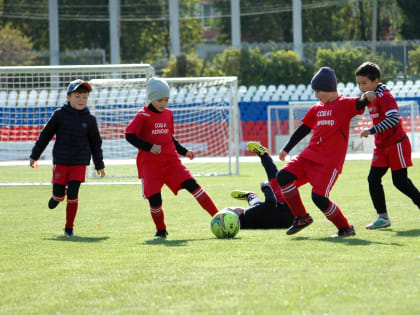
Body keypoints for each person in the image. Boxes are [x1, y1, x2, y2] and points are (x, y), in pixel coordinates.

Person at [276, 66, 376, 237]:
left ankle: (345, 228)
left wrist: (366, 97)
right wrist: (286, 149)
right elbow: (302, 130)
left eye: (317, 91)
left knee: (319, 198)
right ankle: (301, 217)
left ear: (328, 89)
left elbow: (359, 102)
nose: (316, 95)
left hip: (328, 164)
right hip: (308, 157)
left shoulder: (344, 104)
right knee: (283, 177)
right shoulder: (316, 108)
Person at [125, 77, 219, 239]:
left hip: (171, 162)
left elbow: (170, 138)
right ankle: (161, 230)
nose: (163, 103)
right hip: (151, 165)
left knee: (194, 186)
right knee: (155, 201)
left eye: (166, 100)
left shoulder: (169, 114)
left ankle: (219, 217)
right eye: (159, 100)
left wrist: (184, 151)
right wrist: (149, 147)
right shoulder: (142, 115)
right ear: (151, 97)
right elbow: (129, 135)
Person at [29, 79, 105, 237]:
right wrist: (34, 155)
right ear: (68, 97)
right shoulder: (59, 115)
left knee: (73, 193)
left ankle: (69, 228)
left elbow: (96, 144)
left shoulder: (90, 120)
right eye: (77, 96)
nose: (81, 100)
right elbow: (45, 135)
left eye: (84, 97)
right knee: (58, 195)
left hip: (79, 163)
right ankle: (57, 195)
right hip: (61, 162)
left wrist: (99, 165)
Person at [355, 62, 420, 229]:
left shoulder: (385, 96)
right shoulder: (369, 96)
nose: (361, 87)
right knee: (373, 179)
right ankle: (383, 217)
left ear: (376, 80)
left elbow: (393, 119)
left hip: (396, 144)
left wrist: (372, 129)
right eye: (359, 83)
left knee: (400, 182)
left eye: (364, 83)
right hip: (382, 146)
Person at [230, 142, 294, 229]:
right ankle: (264, 155)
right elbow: (270, 203)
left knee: (259, 206)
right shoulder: (248, 214)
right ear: (237, 214)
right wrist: (265, 187)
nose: (232, 209)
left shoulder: (247, 223)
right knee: (274, 180)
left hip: (286, 219)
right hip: (287, 209)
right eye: (231, 210)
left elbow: (260, 207)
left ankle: (250, 196)